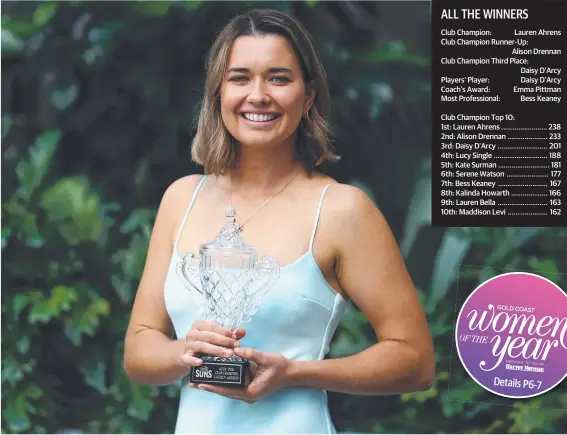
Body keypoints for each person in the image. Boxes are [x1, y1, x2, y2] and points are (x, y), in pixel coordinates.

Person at [124, 8, 435, 434]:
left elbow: (414, 361)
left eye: (279, 78)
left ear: (307, 97)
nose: (258, 95)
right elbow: (139, 352)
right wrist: (185, 351)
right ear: (218, 92)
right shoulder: (182, 198)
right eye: (239, 78)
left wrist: (294, 373)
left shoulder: (342, 210)